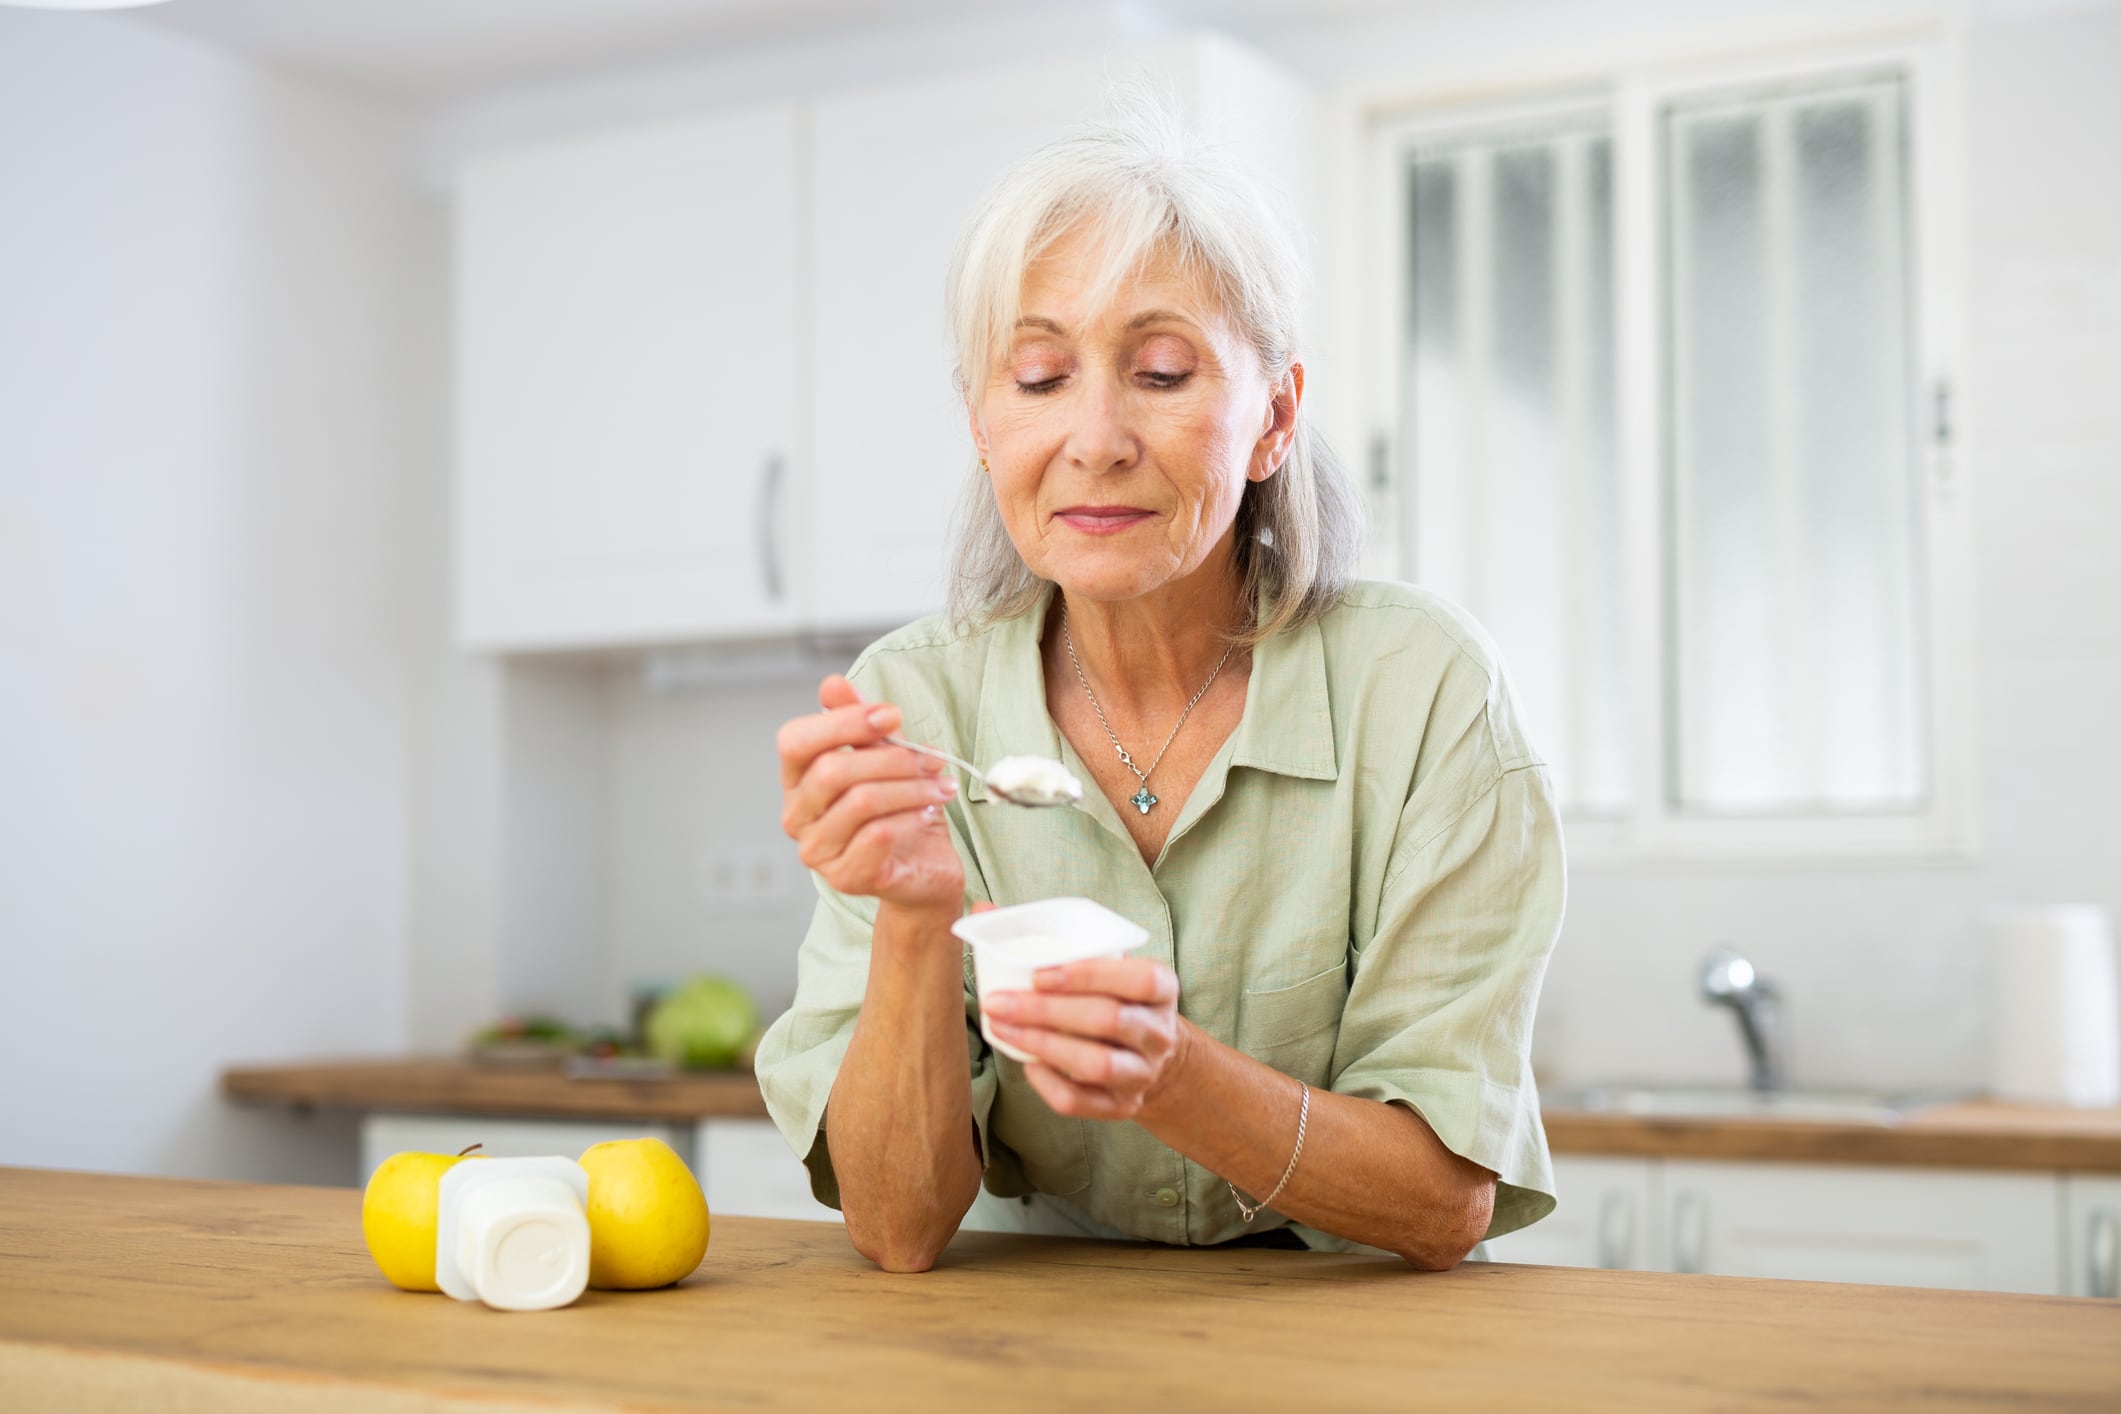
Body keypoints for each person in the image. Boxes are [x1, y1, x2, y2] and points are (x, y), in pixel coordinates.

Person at [756, 99, 1563, 1273]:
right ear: (983, 426)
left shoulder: (1425, 691)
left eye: (1163, 372)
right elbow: (894, 1225)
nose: (1095, 437)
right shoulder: (913, 706)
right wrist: (915, 922)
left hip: (1356, 1347)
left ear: (1275, 415)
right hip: (1026, 1356)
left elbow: (1442, 1204)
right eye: (1038, 377)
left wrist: (1173, 1076)